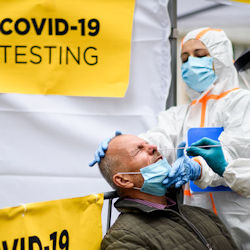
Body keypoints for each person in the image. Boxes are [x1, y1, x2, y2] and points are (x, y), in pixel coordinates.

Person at [90, 28, 250, 249]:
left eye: (200, 55)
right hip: (194, 224)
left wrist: (199, 167)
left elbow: (237, 150)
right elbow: (159, 138)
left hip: (239, 220)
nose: (190, 63)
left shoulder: (242, 103)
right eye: (184, 58)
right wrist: (120, 148)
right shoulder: (180, 113)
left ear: (221, 58)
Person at [96, 133, 238, 250]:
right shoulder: (124, 239)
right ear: (124, 180)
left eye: (147, 143)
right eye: (139, 149)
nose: (153, 147)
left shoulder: (204, 215)